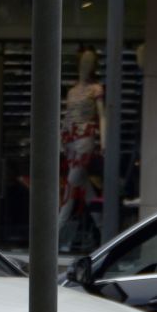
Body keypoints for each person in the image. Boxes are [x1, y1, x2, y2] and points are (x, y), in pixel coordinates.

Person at [59, 45, 105, 251]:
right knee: (85, 188)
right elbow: (67, 116)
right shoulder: (72, 91)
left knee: (71, 184)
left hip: (86, 138)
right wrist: (61, 139)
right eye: (84, 61)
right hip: (70, 140)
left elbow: (103, 116)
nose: (86, 65)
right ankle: (104, 231)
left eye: (90, 61)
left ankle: (57, 232)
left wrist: (104, 142)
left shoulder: (96, 90)